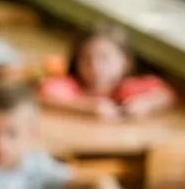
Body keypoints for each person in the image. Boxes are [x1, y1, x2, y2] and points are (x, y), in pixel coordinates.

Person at [39, 22, 174, 120]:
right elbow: (45, 96)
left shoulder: (127, 87)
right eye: (86, 58)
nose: (95, 66)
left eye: (105, 58)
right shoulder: (72, 86)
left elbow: (164, 94)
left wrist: (145, 104)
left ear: (125, 61)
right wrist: (86, 108)